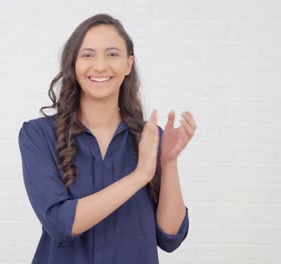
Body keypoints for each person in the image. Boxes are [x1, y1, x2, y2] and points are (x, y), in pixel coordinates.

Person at [18, 13, 197, 264]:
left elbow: (170, 237)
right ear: (73, 65)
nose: (100, 66)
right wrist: (139, 176)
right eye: (88, 55)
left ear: (128, 64)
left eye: (112, 54)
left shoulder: (150, 138)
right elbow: (59, 223)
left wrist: (168, 163)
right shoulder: (38, 135)